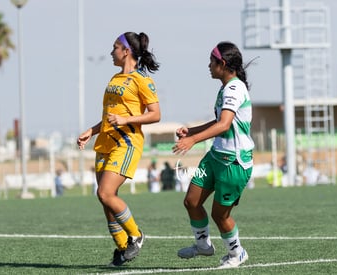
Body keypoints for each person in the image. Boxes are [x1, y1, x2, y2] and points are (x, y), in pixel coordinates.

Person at [77, 31, 160, 267]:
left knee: (105, 193)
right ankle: (123, 248)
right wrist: (91, 131)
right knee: (106, 201)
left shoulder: (141, 80)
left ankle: (136, 235)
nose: (111, 51)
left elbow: (155, 115)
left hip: (126, 143)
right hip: (104, 143)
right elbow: (109, 117)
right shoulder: (114, 79)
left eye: (114, 47)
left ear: (126, 51)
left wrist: (125, 121)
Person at [172, 41, 255, 269]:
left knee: (220, 215)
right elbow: (220, 121)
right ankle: (203, 245)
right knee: (191, 201)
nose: (208, 66)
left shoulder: (235, 88)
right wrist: (192, 130)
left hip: (233, 162)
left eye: (212, 61)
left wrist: (192, 140)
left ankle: (237, 253)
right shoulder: (225, 87)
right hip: (214, 157)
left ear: (223, 64)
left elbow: (224, 125)